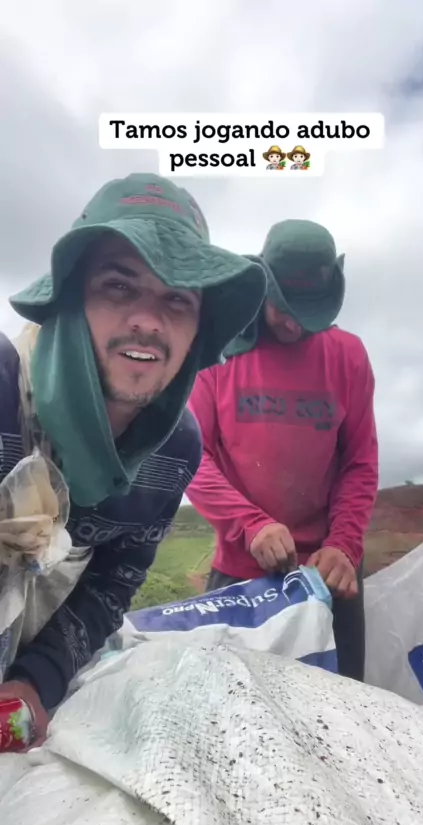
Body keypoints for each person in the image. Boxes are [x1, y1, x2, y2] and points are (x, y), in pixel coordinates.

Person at [0, 173, 267, 744]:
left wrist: (34, 683)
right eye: (119, 287)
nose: (148, 319)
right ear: (70, 299)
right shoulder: (3, 389)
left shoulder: (176, 450)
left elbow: (112, 582)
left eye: (178, 298)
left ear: (198, 330)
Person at [186, 219, 379, 681]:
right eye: (283, 308)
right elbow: (191, 458)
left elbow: (359, 463)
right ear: (263, 286)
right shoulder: (218, 353)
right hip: (242, 570)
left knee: (344, 707)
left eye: (308, 312)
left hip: (330, 574)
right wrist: (251, 525)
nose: (294, 323)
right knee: (234, 705)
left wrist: (344, 544)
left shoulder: (348, 355)